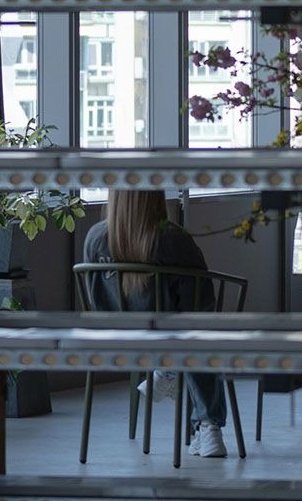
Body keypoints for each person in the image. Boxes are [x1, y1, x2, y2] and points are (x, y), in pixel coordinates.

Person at [82, 188, 232, 458]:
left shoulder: (95, 238)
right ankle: (208, 425)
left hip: (116, 338)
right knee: (198, 332)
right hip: (169, 335)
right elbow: (199, 301)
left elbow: (96, 298)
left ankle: (169, 367)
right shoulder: (173, 239)